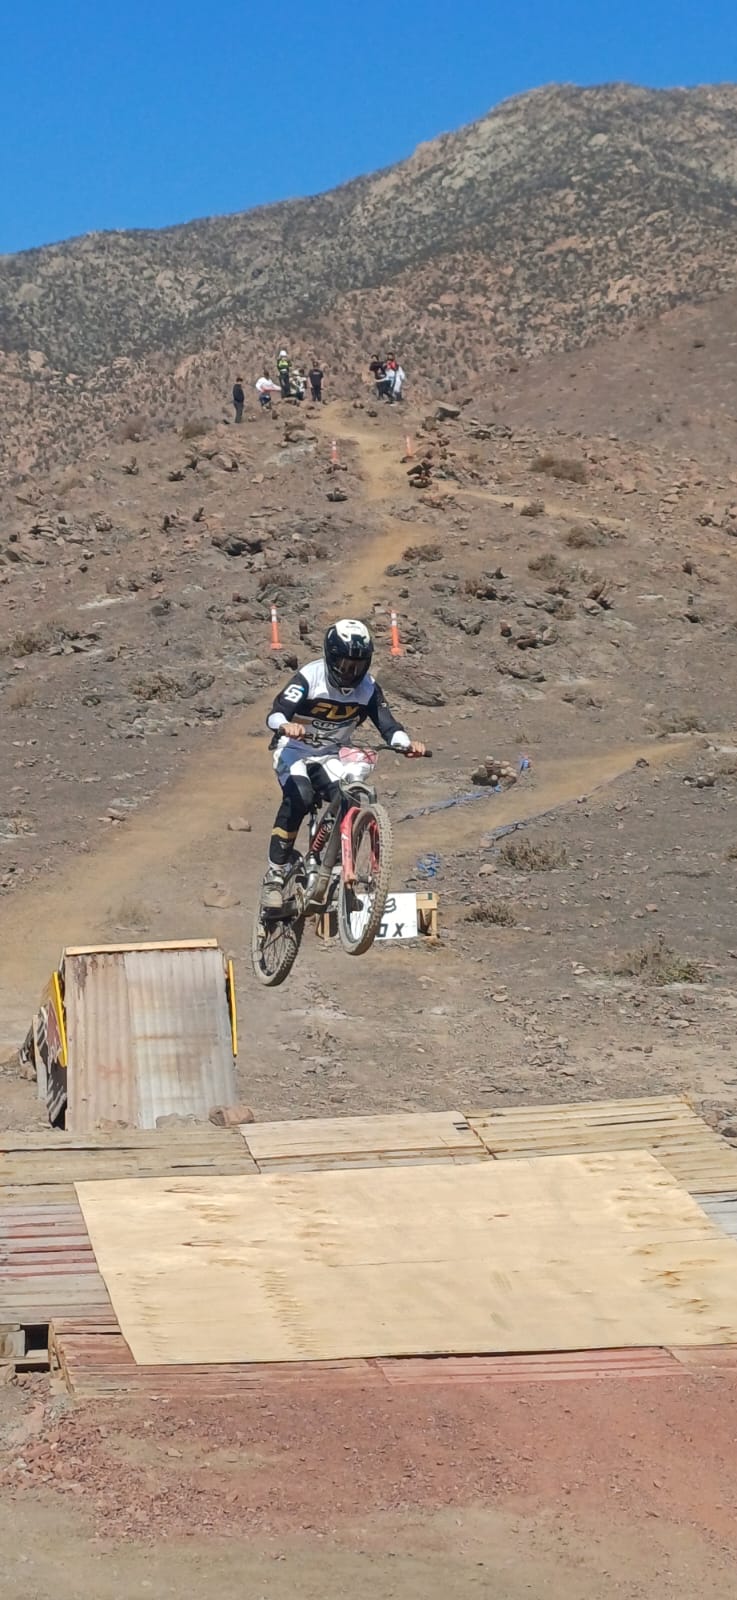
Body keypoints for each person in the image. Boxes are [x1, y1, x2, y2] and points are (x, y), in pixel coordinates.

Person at [260, 619, 426, 908]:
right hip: (294, 751)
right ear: (330, 657)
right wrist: (286, 726)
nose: (351, 673)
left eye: (358, 666)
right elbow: (276, 713)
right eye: (345, 665)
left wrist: (406, 744)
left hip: (330, 755)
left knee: (350, 798)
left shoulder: (368, 688)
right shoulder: (309, 677)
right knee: (300, 797)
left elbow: (388, 725)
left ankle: (335, 868)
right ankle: (275, 874)